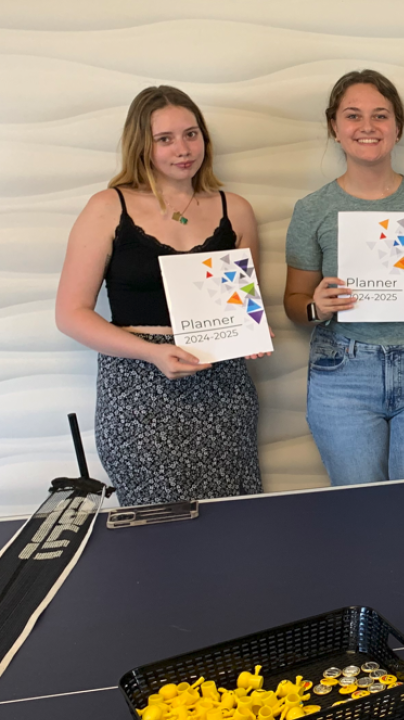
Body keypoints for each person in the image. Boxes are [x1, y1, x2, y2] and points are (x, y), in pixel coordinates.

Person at [55, 86, 266, 506]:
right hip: (138, 392)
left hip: (223, 389)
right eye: (165, 139)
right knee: (160, 534)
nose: (183, 149)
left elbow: (243, 305)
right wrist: (152, 352)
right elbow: (71, 314)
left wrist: (252, 335)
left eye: (191, 134)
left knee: (236, 524)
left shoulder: (235, 209)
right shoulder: (107, 207)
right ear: (142, 146)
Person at [283, 70, 404, 485]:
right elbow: (294, 302)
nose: (367, 127)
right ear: (334, 127)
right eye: (353, 116)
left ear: (397, 127)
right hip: (343, 372)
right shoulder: (312, 209)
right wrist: (316, 306)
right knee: (360, 510)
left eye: (380, 116)